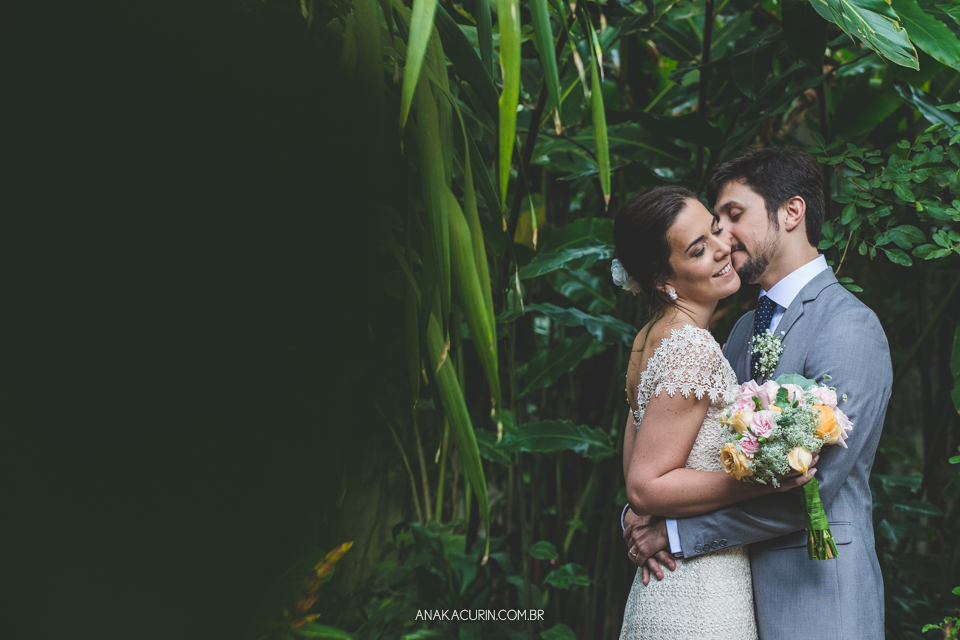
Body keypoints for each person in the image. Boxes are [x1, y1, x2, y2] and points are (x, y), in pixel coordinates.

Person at [621, 148, 892, 639]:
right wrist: (640, 515)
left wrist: (673, 533)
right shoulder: (743, 329)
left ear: (791, 212)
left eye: (733, 215)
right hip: (732, 599)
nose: (722, 235)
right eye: (715, 220)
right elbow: (685, 448)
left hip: (816, 600)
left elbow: (813, 485)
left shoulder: (849, 326)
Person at [612, 184, 816, 640]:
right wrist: (761, 479)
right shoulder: (693, 349)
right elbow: (645, 484)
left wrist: (635, 519)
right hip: (700, 599)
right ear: (665, 280)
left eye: (716, 231)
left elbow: (639, 460)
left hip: (670, 586)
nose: (725, 249)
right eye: (700, 250)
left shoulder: (651, 337)